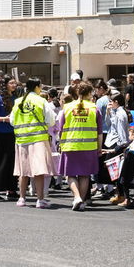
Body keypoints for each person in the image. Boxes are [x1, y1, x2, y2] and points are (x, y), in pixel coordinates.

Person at [54, 81, 102, 211]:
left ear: (77, 92)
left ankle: (77, 198)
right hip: (89, 146)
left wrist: (60, 144)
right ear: (90, 93)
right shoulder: (94, 108)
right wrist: (99, 147)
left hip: (70, 145)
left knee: (70, 174)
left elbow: (61, 128)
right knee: (85, 175)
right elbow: (99, 132)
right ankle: (81, 199)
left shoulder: (67, 107)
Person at [11, 78, 55, 208]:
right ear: (36, 87)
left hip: (22, 140)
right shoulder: (41, 100)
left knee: (23, 171)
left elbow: (12, 121)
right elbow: (51, 119)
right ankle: (40, 199)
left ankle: (22, 198)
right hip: (38, 139)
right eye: (40, 86)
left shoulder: (18, 101)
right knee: (39, 170)